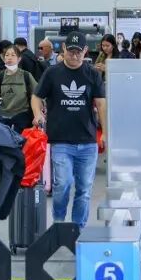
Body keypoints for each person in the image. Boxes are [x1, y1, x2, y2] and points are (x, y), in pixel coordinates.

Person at [32, 31, 106, 228]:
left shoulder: (92, 74)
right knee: (62, 184)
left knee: (84, 189)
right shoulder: (52, 73)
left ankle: (77, 228)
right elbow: (36, 96)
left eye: (78, 52)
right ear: (63, 49)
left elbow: (101, 104)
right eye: (70, 51)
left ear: (85, 51)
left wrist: (106, 132)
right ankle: (59, 223)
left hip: (87, 141)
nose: (74, 56)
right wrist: (38, 113)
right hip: (61, 140)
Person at [0, 44, 38, 132]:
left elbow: (37, 93)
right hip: (4, 117)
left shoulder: (26, 76)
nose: (9, 58)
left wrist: (38, 113)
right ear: (3, 59)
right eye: (7, 55)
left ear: (19, 59)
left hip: (23, 116)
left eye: (13, 55)